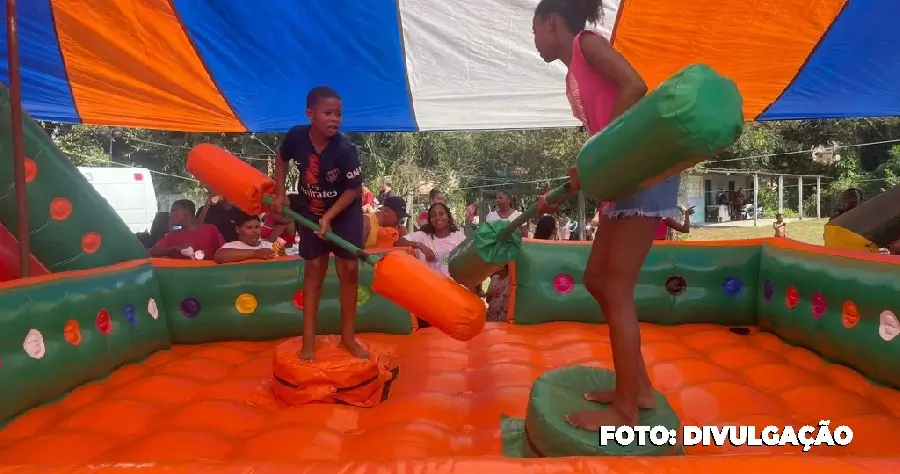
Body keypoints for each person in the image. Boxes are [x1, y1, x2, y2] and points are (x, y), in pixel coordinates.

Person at [533, 0, 670, 431]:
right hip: (621, 177)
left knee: (615, 285)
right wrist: (565, 186)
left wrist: (598, 151)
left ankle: (627, 409)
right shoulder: (574, 69)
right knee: (597, 279)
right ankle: (639, 388)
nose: (534, 41)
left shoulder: (586, 44)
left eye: (534, 30)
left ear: (550, 22)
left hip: (645, 170)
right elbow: (598, 142)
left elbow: (635, 85)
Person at [271, 86, 367, 361]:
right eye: (328, 113)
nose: (335, 119)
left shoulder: (345, 149)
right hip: (310, 209)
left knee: (349, 272)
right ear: (310, 113)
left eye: (339, 114)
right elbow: (281, 158)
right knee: (314, 272)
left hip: (344, 212)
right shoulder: (296, 137)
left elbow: (353, 190)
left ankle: (347, 338)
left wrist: (329, 218)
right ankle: (309, 341)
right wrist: (280, 193)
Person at [394, 202, 466, 277]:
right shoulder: (422, 236)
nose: (437, 217)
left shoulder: (458, 236)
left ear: (448, 217)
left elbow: (469, 264)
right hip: (429, 287)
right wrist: (420, 245)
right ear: (430, 220)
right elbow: (397, 242)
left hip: (455, 287)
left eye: (441, 214)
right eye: (433, 215)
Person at [150, 199, 224, 260]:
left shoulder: (210, 230)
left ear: (186, 212)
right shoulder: (173, 235)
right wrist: (175, 249)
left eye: (174, 210)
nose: (170, 214)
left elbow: (225, 252)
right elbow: (151, 252)